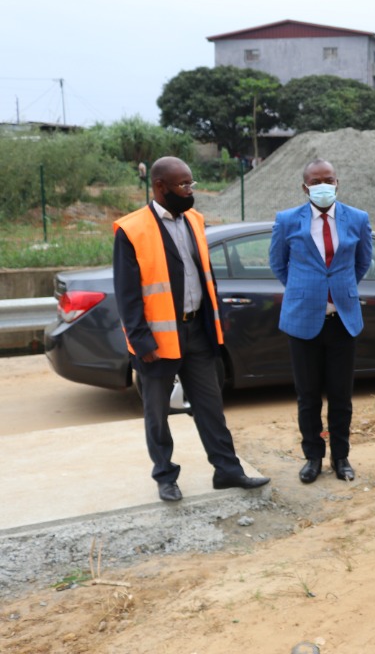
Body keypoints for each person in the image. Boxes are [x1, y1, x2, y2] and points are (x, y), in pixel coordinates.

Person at [113, 157, 270, 502]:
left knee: (210, 405)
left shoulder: (195, 221)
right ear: (159, 187)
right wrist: (141, 340)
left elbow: (203, 277)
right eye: (183, 185)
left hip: (197, 331)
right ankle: (165, 477)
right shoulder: (132, 229)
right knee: (157, 413)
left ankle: (227, 471)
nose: (190, 190)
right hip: (157, 340)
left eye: (191, 183)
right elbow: (127, 293)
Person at [269, 158, 373, 484]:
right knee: (308, 396)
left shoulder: (357, 219)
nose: (322, 185)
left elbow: (362, 263)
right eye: (316, 181)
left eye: (328, 179)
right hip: (303, 322)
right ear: (305, 187)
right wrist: (306, 291)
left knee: (341, 396)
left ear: (337, 182)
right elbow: (278, 264)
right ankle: (313, 457)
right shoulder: (287, 221)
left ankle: (341, 458)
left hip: (342, 320)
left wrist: (337, 289)